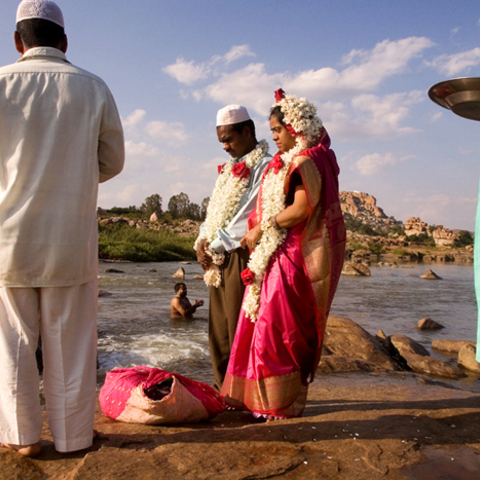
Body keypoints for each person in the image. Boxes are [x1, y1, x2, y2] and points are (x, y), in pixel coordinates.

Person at [0, 1, 124, 456]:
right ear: (65, 43)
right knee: (71, 345)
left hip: (7, 239)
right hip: (70, 239)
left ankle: (21, 439)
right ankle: (73, 438)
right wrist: (72, 176)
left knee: (11, 343)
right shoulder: (93, 88)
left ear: (17, 41)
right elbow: (112, 161)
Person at [221, 89, 346, 419]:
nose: (273, 136)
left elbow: (302, 209)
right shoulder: (297, 161)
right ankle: (265, 401)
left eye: (277, 130)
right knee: (269, 327)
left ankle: (275, 405)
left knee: (277, 330)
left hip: (289, 255)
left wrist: (263, 227)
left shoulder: (306, 161)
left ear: (295, 128)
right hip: (279, 253)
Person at [195, 105, 271, 390]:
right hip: (218, 255)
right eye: (221, 142)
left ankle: (244, 392)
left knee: (241, 326)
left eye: (229, 139)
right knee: (219, 331)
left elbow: (248, 215)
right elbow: (214, 211)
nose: (225, 147)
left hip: (241, 254)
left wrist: (213, 244)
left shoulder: (266, 165)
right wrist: (202, 240)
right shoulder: (227, 169)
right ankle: (222, 389)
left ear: (248, 131)